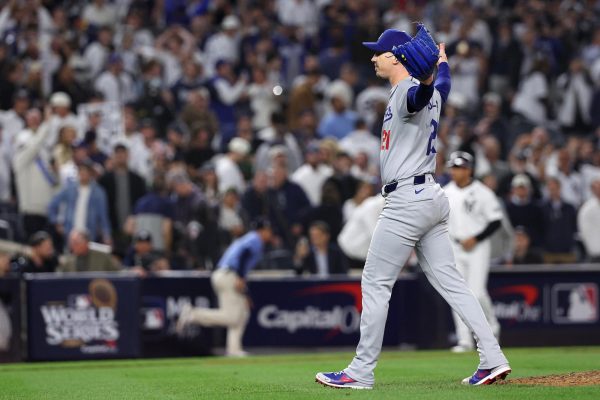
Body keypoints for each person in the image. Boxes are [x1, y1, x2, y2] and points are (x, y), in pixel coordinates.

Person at [315, 26, 510, 389]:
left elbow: (420, 96)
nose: (373, 58)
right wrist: (444, 66)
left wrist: (424, 76)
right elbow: (443, 89)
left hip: (406, 200)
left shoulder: (409, 91)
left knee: (375, 282)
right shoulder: (430, 91)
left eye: (379, 52)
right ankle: (492, 357)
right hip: (430, 197)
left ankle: (359, 372)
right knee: (454, 283)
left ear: (395, 57)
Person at [176, 219, 273, 357]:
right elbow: (244, 255)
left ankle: (234, 349)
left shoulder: (248, 238)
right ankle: (192, 314)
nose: (270, 234)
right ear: (262, 231)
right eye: (268, 231)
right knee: (232, 317)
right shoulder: (255, 238)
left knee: (243, 312)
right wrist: (239, 277)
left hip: (226, 274)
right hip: (229, 274)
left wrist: (245, 294)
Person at [443, 151, 502, 353]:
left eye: (459, 167)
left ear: (469, 169)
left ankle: (492, 327)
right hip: (455, 245)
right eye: (453, 167)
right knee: (458, 294)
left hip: (477, 246)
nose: (455, 171)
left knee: (476, 293)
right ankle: (465, 340)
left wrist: (475, 238)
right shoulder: (445, 192)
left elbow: (496, 221)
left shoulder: (482, 192)